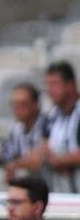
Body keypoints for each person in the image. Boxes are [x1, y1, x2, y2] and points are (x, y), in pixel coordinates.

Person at [0, 82, 44, 181]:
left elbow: (37, 160)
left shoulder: (47, 126)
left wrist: (14, 165)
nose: (17, 109)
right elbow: (6, 154)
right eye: (14, 104)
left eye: (22, 104)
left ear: (35, 104)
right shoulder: (18, 129)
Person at [37, 61, 80, 194]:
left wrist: (62, 160)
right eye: (48, 85)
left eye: (55, 84)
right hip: (61, 189)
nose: (50, 90)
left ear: (70, 85)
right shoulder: (51, 115)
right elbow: (43, 148)